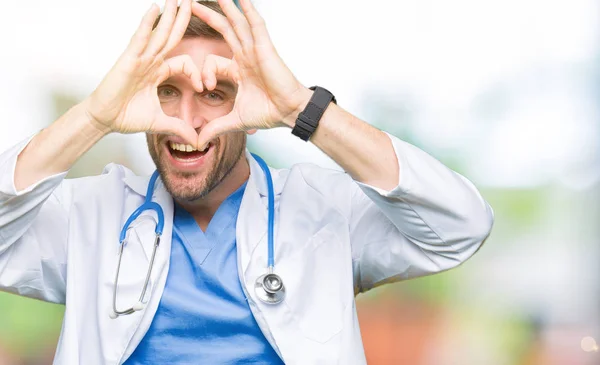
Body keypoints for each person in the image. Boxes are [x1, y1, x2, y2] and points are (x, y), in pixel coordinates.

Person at [0, 0, 494, 363]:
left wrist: (300, 107)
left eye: (216, 94)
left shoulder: (326, 212)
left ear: (254, 108)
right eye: (167, 91)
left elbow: (460, 225)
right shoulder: (90, 215)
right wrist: (94, 116)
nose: (187, 120)